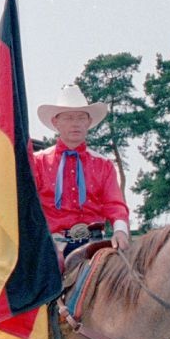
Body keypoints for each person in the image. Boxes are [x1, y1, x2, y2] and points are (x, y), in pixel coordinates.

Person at [31, 83, 132, 256]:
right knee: (42, 280)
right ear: (56, 122)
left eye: (80, 118)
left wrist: (120, 231)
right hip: (52, 245)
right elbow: (28, 206)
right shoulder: (38, 162)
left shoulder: (104, 165)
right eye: (69, 118)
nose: (75, 124)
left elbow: (115, 204)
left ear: (89, 122)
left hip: (96, 244)